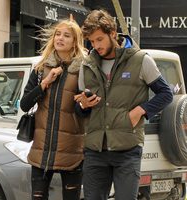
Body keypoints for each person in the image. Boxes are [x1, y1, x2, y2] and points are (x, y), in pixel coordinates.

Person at [74, 10, 173, 200]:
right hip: (95, 151)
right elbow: (81, 111)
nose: (96, 46)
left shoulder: (140, 60)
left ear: (113, 33)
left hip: (128, 149)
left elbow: (166, 94)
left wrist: (140, 111)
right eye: (92, 41)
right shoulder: (86, 66)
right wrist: (84, 106)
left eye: (100, 39)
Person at [20, 18, 85, 200]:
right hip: (42, 148)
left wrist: (84, 104)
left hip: (72, 149)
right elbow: (24, 104)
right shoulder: (41, 69)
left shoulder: (83, 70)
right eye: (58, 34)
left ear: (75, 42)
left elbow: (83, 113)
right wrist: (45, 83)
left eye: (66, 35)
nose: (60, 38)